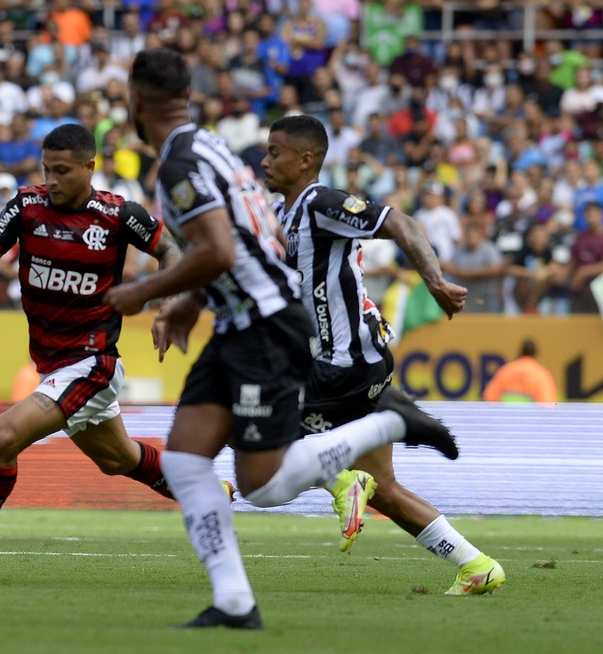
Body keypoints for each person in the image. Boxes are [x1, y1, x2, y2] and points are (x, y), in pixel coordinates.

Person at [103, 48, 458, 629]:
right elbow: (251, 241)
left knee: (261, 484)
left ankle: (389, 424)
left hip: (266, 327)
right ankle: (235, 603)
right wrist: (189, 301)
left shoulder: (180, 165)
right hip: (245, 321)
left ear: (135, 101)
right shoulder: (212, 148)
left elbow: (217, 250)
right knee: (189, 462)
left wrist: (145, 293)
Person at [0, 123, 188, 575]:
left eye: (61, 170)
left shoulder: (117, 215)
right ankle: (209, 490)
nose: (51, 180)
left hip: (92, 361)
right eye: (46, 169)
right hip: (54, 364)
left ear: (89, 168)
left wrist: (169, 301)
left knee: (4, 436)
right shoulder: (26, 205)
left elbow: (170, 249)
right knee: (120, 459)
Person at [261, 114, 506, 594]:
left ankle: (338, 480)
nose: (265, 160)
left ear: (306, 159)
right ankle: (476, 564)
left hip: (340, 365)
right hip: (363, 361)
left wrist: (434, 280)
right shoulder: (286, 213)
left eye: (275, 152)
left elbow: (399, 222)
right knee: (385, 489)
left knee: (260, 450)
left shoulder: (320, 202)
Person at [483, 339, 558, 404]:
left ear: (520, 351)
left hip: (506, 418)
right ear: (535, 353)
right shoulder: (541, 375)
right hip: (531, 419)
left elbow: (489, 398)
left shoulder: (505, 371)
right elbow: (547, 404)